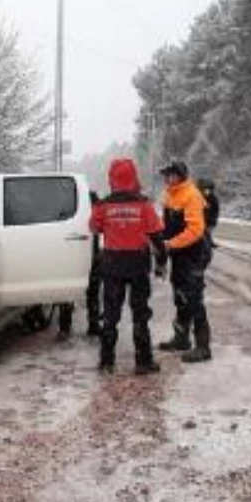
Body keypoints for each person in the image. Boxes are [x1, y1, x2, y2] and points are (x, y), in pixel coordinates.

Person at [90, 159, 165, 374]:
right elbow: (156, 237)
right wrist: (161, 263)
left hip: (112, 264)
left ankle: (106, 362)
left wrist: (98, 209)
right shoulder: (144, 205)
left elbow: (94, 228)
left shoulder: (103, 206)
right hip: (138, 265)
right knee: (140, 313)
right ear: (134, 177)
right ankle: (143, 362)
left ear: (112, 179)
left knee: (111, 315)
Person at [155, 161, 213, 363]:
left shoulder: (191, 195)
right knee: (180, 296)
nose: (167, 178)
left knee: (194, 298)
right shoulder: (169, 194)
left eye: (170, 175)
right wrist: (161, 243)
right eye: (166, 175)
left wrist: (171, 244)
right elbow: (166, 225)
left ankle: (203, 346)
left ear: (180, 175)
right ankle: (181, 338)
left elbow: (196, 230)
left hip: (194, 254)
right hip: (179, 254)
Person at [56, 191, 104, 340]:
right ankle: (92, 326)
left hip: (78, 258)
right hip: (89, 257)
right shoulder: (92, 207)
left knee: (71, 292)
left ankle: (65, 328)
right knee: (91, 293)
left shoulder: (68, 209)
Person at [200, 179, 221, 249]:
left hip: (210, 220)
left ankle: (209, 243)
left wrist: (213, 218)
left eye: (208, 190)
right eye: (205, 189)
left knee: (207, 232)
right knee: (204, 233)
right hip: (202, 219)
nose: (206, 191)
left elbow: (216, 210)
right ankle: (207, 243)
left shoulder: (213, 199)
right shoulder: (201, 197)